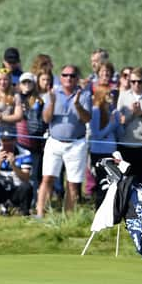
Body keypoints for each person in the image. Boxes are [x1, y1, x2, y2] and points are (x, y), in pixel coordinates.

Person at [35, 65, 91, 217]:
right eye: (65, 75)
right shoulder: (53, 93)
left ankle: (68, 217)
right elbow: (46, 119)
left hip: (76, 144)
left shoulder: (84, 95)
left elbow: (87, 119)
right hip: (54, 142)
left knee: (72, 183)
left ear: (76, 78)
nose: (68, 78)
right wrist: (52, 103)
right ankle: (40, 213)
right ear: (60, 77)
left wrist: (78, 105)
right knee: (47, 178)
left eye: (72, 76)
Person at [116, 67, 142, 192]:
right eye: (133, 82)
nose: (136, 85)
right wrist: (132, 114)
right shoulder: (123, 96)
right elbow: (120, 121)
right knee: (126, 183)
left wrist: (141, 114)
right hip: (125, 146)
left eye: (139, 82)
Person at [0, 132, 33, 215]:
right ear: (0, 141)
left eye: (9, 140)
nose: (7, 143)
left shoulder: (25, 154)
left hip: (16, 189)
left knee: (27, 186)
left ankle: (24, 211)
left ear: (15, 140)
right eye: (4, 141)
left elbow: (26, 178)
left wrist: (13, 165)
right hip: (0, 189)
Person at [89, 86, 123, 207]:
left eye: (112, 94)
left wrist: (118, 123)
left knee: (112, 183)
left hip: (111, 151)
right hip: (99, 152)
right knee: (102, 183)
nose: (111, 97)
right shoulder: (95, 110)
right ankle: (99, 209)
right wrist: (112, 125)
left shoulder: (111, 110)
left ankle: (110, 210)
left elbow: (119, 134)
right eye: (108, 94)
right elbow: (97, 134)